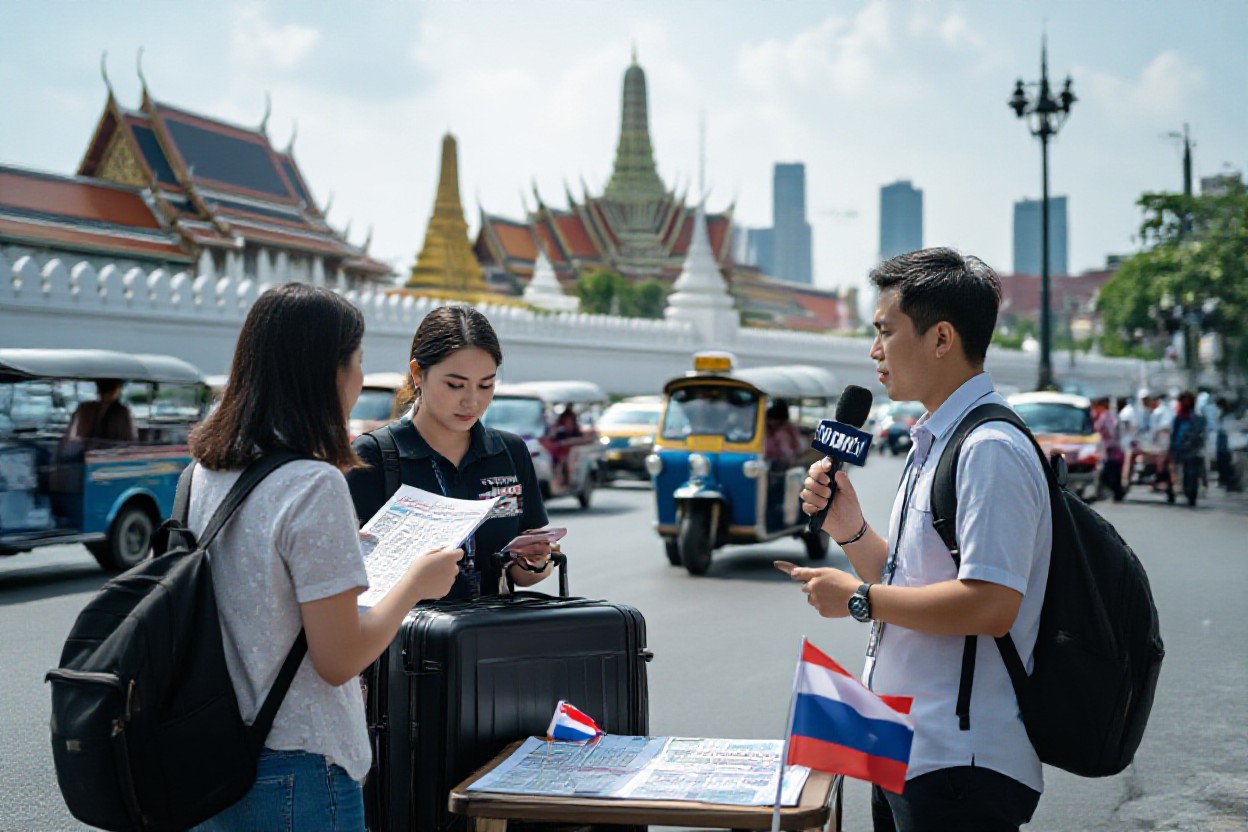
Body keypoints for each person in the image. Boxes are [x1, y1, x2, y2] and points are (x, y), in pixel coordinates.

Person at [187, 283, 462, 831]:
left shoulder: (203, 471)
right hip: (296, 760)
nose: (360, 381)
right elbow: (338, 659)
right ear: (327, 373)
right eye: (357, 363)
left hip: (206, 753)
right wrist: (414, 582)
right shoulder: (314, 484)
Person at [796, 248, 1050, 831]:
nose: (874, 349)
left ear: (940, 338)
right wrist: (851, 531)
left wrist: (859, 600)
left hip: (961, 762)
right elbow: (913, 584)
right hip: (905, 745)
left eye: (885, 330)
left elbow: (990, 604)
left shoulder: (989, 449)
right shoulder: (938, 440)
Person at [346, 306, 554, 600]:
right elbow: (346, 577)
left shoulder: (510, 452)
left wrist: (535, 561)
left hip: (488, 637)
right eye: (455, 385)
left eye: (486, 385)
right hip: (406, 639)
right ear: (418, 373)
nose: (472, 401)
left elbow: (524, 573)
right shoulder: (374, 455)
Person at [66, 378, 136, 444]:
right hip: (98, 451)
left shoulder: (85, 408)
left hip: (109, 452)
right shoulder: (86, 408)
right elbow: (129, 437)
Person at [1092, 395, 1125, 502]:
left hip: (1110, 449)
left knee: (1108, 474)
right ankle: (1116, 493)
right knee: (1112, 473)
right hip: (1111, 449)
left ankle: (1116, 492)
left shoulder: (1106, 416)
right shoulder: (1111, 416)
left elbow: (1108, 432)